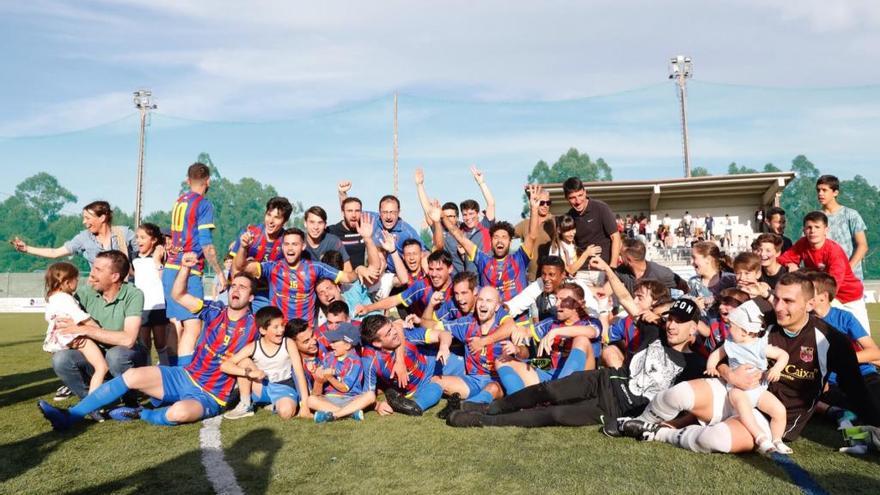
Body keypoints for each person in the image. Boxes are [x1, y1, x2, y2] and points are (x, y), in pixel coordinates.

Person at [617, 272, 880, 453]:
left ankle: (659, 434)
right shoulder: (762, 315)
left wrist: (874, 426)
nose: (778, 306)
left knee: (716, 440)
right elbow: (723, 350)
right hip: (734, 391)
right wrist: (729, 375)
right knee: (677, 394)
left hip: (773, 417)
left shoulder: (831, 341)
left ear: (810, 304)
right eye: (776, 297)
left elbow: (857, 392)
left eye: (788, 301)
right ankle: (635, 422)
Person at [37, 252, 259, 430]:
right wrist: (185, 268)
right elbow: (179, 296)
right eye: (234, 286)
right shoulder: (214, 310)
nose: (236, 290)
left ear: (251, 297)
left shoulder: (256, 324)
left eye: (243, 287)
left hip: (210, 395)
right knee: (131, 376)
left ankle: (140, 413)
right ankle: (70, 416)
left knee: (178, 413)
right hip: (184, 376)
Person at [445, 298, 706, 429]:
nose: (671, 325)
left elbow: (697, 405)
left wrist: (669, 427)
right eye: (670, 318)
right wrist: (661, 312)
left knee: (556, 414)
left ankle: (481, 420)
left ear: (694, 327)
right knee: (550, 390)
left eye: (680, 321)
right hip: (605, 379)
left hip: (617, 407)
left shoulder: (695, 363)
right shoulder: (655, 332)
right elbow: (633, 303)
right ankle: (489, 407)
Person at [49, 250, 147, 404]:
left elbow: (128, 340)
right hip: (96, 357)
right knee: (60, 359)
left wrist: (85, 329)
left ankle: (131, 401)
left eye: (98, 270)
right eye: (93, 268)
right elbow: (67, 324)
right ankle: (91, 403)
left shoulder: (133, 294)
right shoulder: (83, 294)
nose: (91, 274)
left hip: (126, 357)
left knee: (116, 355)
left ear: (115, 276)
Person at [705, 300, 791, 455]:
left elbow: (783, 355)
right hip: (737, 390)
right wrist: (711, 366)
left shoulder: (760, 345)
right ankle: (760, 437)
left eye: (732, 326)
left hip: (758, 389)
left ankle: (777, 439)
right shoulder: (730, 343)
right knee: (745, 412)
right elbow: (716, 354)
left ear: (744, 331)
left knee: (779, 411)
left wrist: (777, 369)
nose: (728, 328)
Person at [162, 163, 227, 367]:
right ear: (208, 181)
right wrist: (220, 273)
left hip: (170, 268)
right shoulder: (203, 204)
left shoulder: (179, 201)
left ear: (188, 180)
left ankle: (168, 375)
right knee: (192, 326)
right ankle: (183, 375)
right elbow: (206, 242)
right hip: (188, 271)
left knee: (174, 324)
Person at [233, 225, 362, 327]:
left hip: (304, 331)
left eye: (294, 244)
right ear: (282, 246)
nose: (290, 248)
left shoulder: (315, 268)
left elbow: (349, 277)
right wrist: (243, 248)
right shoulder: (272, 267)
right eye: (287, 244)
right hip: (279, 329)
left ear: (303, 246)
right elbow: (241, 267)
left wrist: (360, 269)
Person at [442, 185, 542, 302]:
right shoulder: (483, 261)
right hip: (494, 318)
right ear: (491, 240)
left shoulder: (519, 258)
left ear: (510, 240)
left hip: (519, 320)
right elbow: (459, 236)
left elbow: (533, 236)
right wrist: (442, 216)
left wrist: (534, 209)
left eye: (504, 237)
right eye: (496, 237)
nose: (499, 240)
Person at [777, 211, 868, 332]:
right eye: (809, 227)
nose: (812, 231)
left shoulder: (834, 251)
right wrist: (790, 263)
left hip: (848, 297)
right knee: (823, 337)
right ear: (804, 230)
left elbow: (833, 284)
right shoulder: (803, 243)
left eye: (817, 227)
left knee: (861, 338)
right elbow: (782, 259)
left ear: (826, 230)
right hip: (822, 296)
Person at [221, 306, 311, 420]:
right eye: (276, 327)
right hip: (261, 386)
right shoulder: (254, 346)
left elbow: (299, 374)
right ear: (263, 330)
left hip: (283, 387)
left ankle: (274, 405)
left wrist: (305, 405)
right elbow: (225, 366)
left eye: (282, 325)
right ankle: (245, 404)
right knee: (244, 362)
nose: (281, 330)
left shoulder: (288, 343)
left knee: (287, 413)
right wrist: (248, 373)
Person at [42, 262, 109, 412]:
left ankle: (90, 399)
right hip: (75, 336)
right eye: (76, 279)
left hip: (61, 338)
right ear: (67, 282)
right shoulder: (65, 298)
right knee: (102, 367)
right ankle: (93, 404)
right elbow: (81, 317)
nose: (78, 282)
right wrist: (100, 330)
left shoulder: (52, 298)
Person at [359, 314, 456, 417]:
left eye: (391, 327)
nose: (395, 332)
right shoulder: (370, 360)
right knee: (436, 389)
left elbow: (445, 334)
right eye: (388, 333)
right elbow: (367, 394)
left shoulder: (407, 335)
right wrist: (377, 406)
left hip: (437, 363)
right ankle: (413, 406)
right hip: (415, 389)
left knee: (465, 370)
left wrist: (444, 347)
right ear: (377, 343)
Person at [11, 200, 137, 268]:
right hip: (98, 293)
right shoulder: (83, 238)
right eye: (84, 218)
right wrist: (27, 248)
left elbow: (144, 256)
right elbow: (55, 253)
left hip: (125, 292)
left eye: (88, 218)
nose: (84, 222)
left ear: (102, 218)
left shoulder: (125, 234)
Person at [229, 196, 294, 311]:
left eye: (277, 218)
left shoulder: (287, 241)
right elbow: (236, 268)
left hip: (268, 293)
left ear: (285, 221)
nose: (271, 221)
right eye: (269, 215)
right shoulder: (249, 234)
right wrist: (243, 247)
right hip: (243, 291)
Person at [131, 222, 171, 366]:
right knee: (144, 345)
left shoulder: (161, 255)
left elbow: (164, 279)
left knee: (161, 343)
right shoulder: (134, 257)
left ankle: (166, 373)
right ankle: (146, 372)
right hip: (141, 306)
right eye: (137, 237)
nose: (138, 241)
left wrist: (157, 261)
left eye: (142, 237)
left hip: (159, 306)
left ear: (153, 240)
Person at [310, 323, 367, 422]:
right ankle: (348, 414)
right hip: (329, 399)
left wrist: (330, 377)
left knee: (370, 396)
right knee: (310, 400)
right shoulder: (328, 357)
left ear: (347, 345)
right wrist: (318, 375)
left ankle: (332, 414)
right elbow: (320, 382)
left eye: (335, 341)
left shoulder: (355, 361)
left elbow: (344, 388)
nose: (331, 344)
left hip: (350, 399)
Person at [816, 174, 869, 280]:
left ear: (835, 192)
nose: (820, 193)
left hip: (851, 278)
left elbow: (862, 246)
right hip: (826, 279)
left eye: (824, 190)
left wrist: (847, 269)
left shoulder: (851, 215)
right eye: (818, 190)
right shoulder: (815, 218)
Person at [561, 177, 621, 269]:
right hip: (581, 271)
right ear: (566, 198)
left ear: (585, 192)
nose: (577, 201)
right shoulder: (569, 217)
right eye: (572, 198)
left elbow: (615, 237)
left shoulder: (601, 208)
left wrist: (612, 267)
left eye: (580, 195)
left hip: (603, 269)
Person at [514, 185, 556, 281]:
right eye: (542, 203)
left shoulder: (556, 222)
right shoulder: (525, 224)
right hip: (531, 280)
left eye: (548, 202)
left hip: (551, 278)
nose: (545, 205)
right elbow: (505, 234)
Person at [687, 241, 736, 317]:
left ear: (708, 259)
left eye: (694, 258)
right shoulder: (693, 283)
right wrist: (695, 308)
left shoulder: (731, 279)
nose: (691, 262)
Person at [548, 215, 600, 279]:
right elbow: (570, 270)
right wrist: (586, 254)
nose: (572, 233)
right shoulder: (557, 248)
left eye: (573, 229)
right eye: (567, 231)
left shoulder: (573, 243)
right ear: (559, 231)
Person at [303, 205, 352, 272]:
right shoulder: (298, 241)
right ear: (305, 223)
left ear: (325, 225)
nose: (316, 227)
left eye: (320, 223)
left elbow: (348, 270)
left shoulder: (333, 241)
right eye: (312, 222)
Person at [327, 195, 367, 268]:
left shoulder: (365, 229)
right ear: (343, 213)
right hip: (339, 276)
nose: (354, 215)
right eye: (349, 211)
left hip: (359, 276)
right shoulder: (332, 230)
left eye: (357, 211)